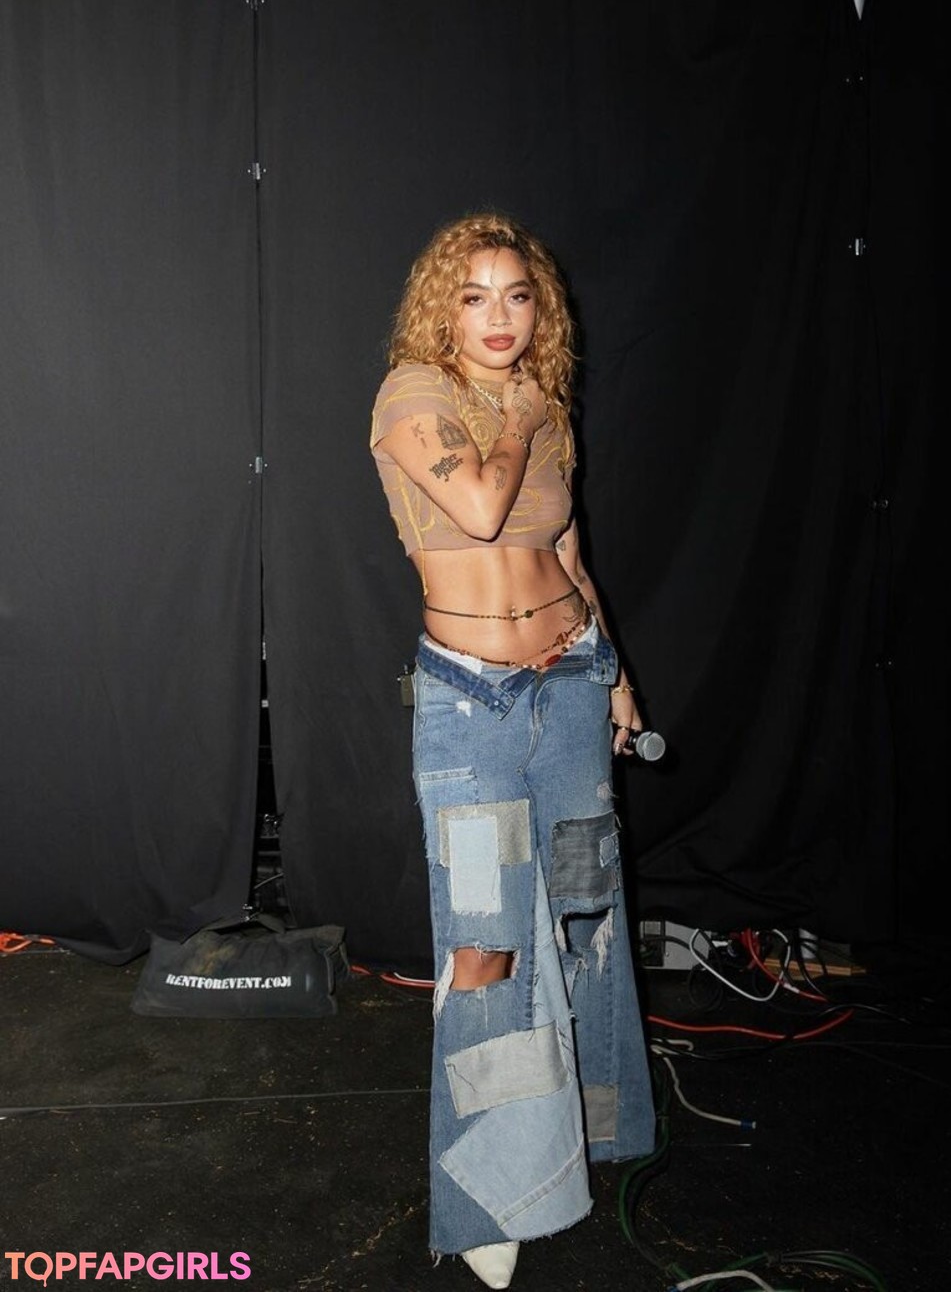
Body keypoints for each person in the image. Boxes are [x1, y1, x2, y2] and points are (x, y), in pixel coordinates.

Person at [369, 211, 656, 1288]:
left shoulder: (548, 407)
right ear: (442, 309)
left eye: (518, 296)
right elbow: (484, 511)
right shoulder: (414, 397)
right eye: (475, 295)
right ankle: (491, 1188)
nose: (500, 316)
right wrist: (525, 413)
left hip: (571, 684)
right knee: (485, 948)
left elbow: (567, 550)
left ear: (543, 310)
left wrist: (614, 672)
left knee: (582, 912)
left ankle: (587, 1132)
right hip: (471, 704)